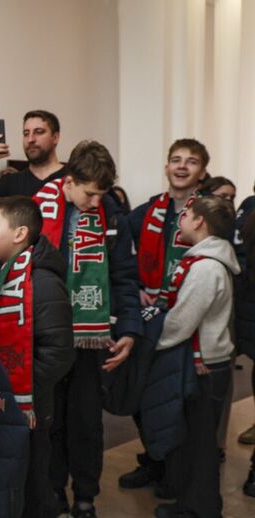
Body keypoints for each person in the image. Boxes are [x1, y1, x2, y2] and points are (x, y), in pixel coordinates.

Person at [33, 140, 141, 518]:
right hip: (48, 336)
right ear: (69, 181)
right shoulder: (38, 207)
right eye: (89, 194)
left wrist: (129, 328)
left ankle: (85, 496)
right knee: (50, 422)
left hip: (93, 338)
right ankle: (53, 494)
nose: (95, 202)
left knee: (86, 422)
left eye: (101, 194)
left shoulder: (111, 214)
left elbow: (124, 275)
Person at [0, 196, 75, 518]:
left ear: (19, 234)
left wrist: (15, 388)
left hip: (25, 406)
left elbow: (58, 353)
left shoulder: (43, 282)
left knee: (31, 486)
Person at [122, 139, 209, 492]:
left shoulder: (208, 212)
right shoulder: (147, 211)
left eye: (191, 161)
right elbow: (119, 254)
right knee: (146, 396)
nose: (182, 166)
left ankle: (177, 474)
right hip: (151, 318)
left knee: (177, 401)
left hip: (190, 322)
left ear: (202, 172)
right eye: (176, 160)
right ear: (166, 167)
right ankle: (153, 461)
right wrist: (136, 285)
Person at [153, 196, 239, 518]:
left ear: (200, 221)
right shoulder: (206, 260)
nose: (182, 219)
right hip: (208, 362)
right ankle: (191, 502)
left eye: (187, 214)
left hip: (205, 365)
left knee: (201, 445)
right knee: (195, 440)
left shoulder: (205, 268)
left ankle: (200, 509)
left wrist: (151, 341)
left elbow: (182, 321)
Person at [0, 110, 67, 214]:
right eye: (26, 134)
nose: (30, 139)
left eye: (38, 132)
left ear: (55, 137)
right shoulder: (11, 181)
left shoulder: (72, 177)